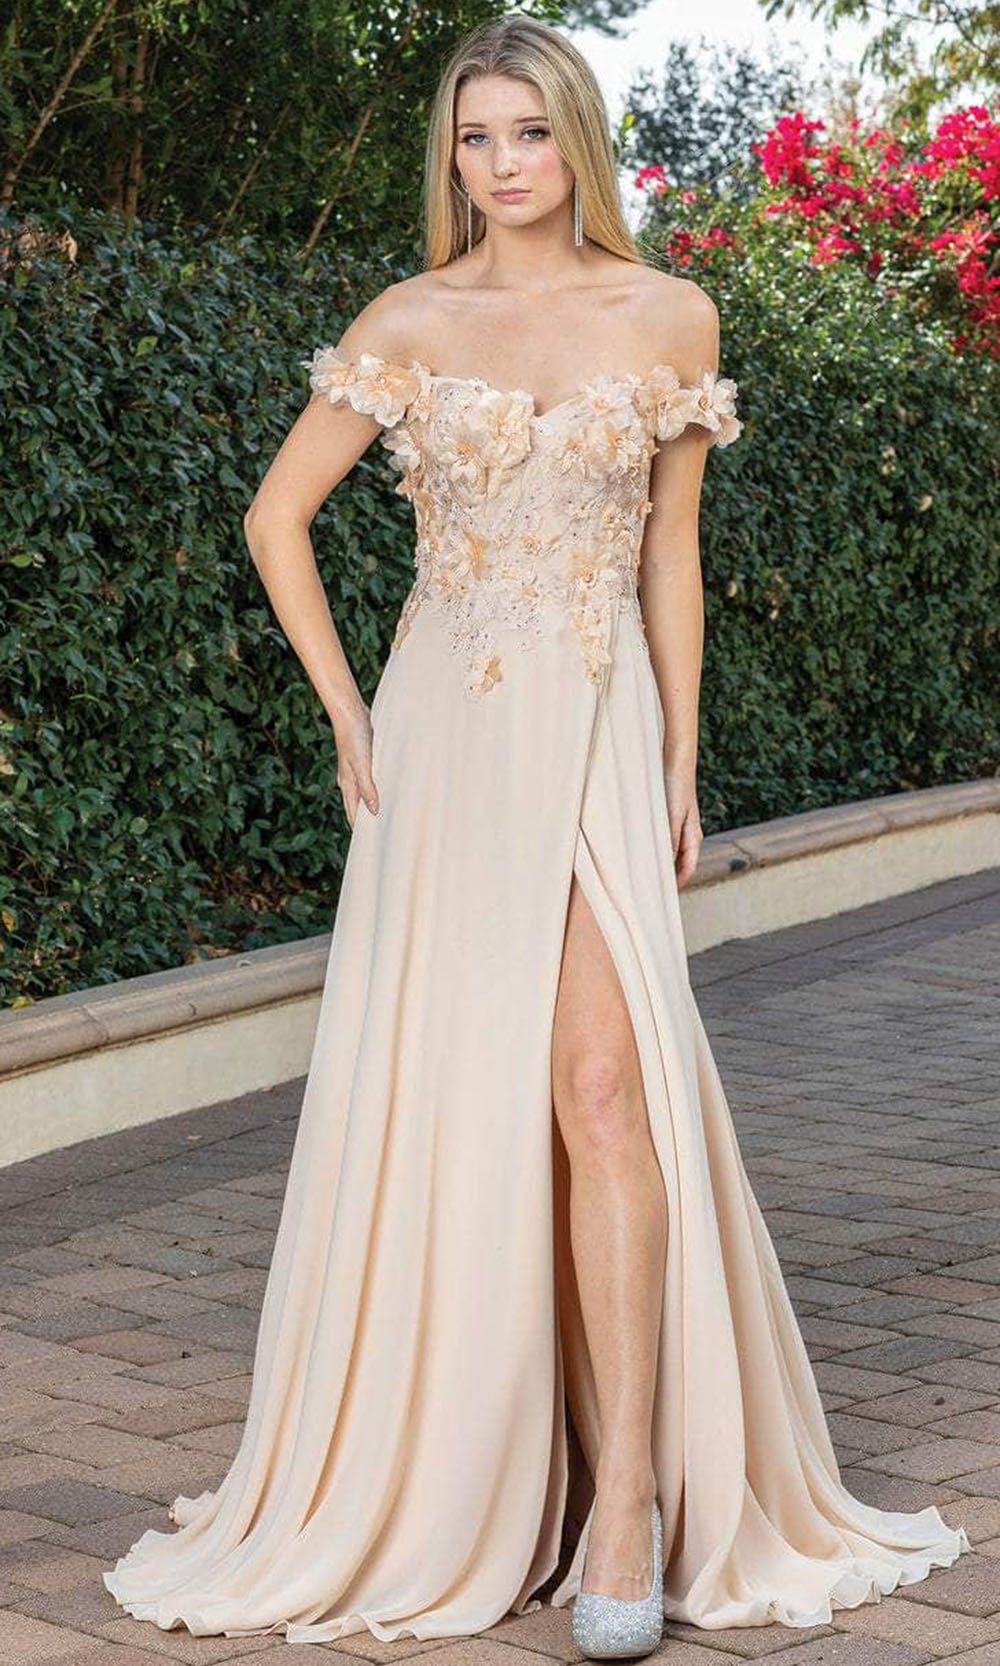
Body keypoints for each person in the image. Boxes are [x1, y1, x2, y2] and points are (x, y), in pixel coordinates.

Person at [101, 12, 971, 1660]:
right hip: (447, 732)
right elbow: (277, 516)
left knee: (603, 1085)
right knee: (468, 1094)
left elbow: (670, 551)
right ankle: (482, 1466)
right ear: (451, 156)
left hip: (602, 722)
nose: (502, 163)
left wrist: (683, 751)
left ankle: (626, 1489)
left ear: (577, 138)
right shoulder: (410, 318)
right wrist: (349, 712)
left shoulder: (670, 313)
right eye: (473, 136)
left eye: (528, 130)